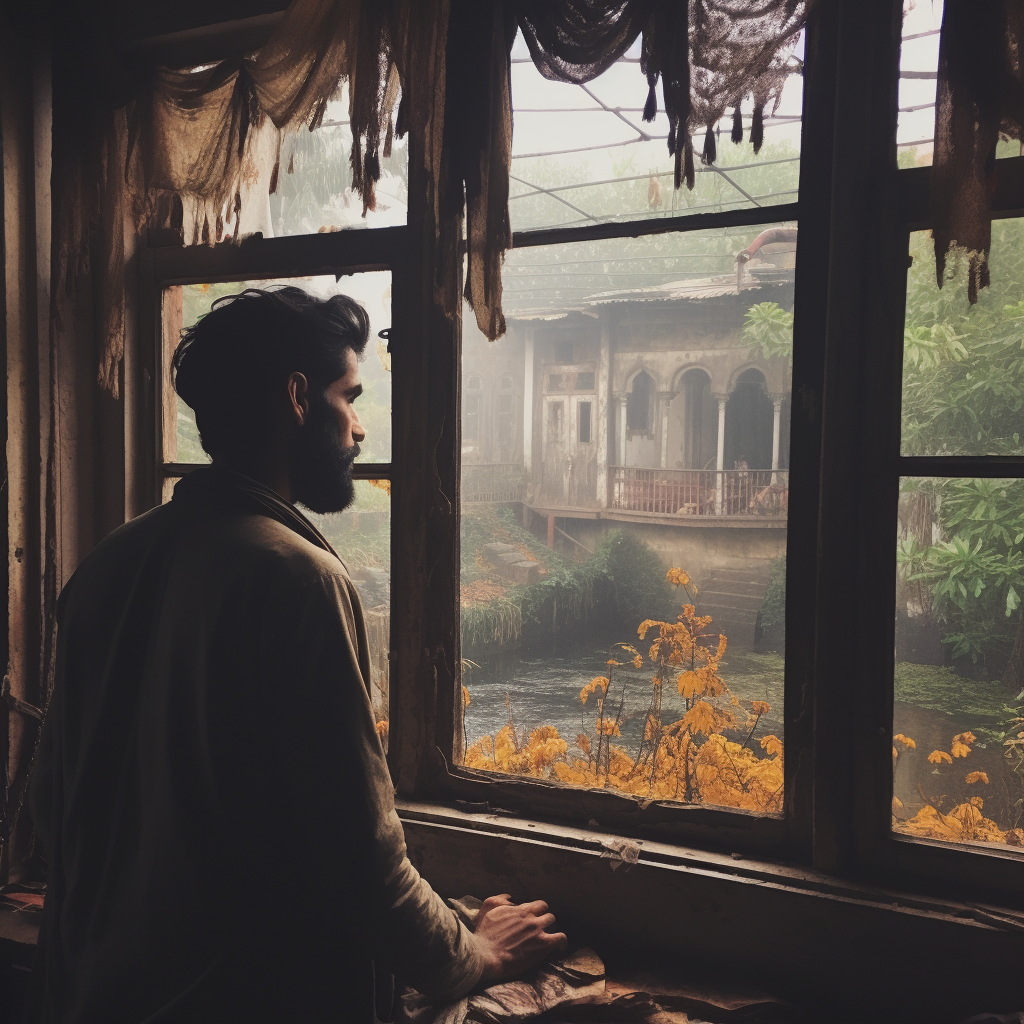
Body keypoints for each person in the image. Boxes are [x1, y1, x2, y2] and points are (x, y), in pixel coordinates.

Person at [27, 287, 566, 1023]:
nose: (361, 428)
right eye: (350, 397)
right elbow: (361, 865)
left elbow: (53, 810)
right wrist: (475, 954)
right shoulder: (296, 579)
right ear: (297, 398)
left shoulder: (107, 564)